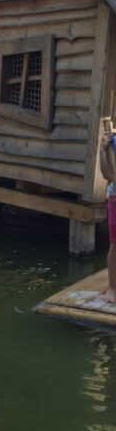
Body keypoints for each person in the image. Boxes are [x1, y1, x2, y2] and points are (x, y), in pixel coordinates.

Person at [99, 121, 116, 305]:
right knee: (115, 244)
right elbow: (106, 174)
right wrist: (103, 150)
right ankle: (113, 287)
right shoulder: (114, 142)